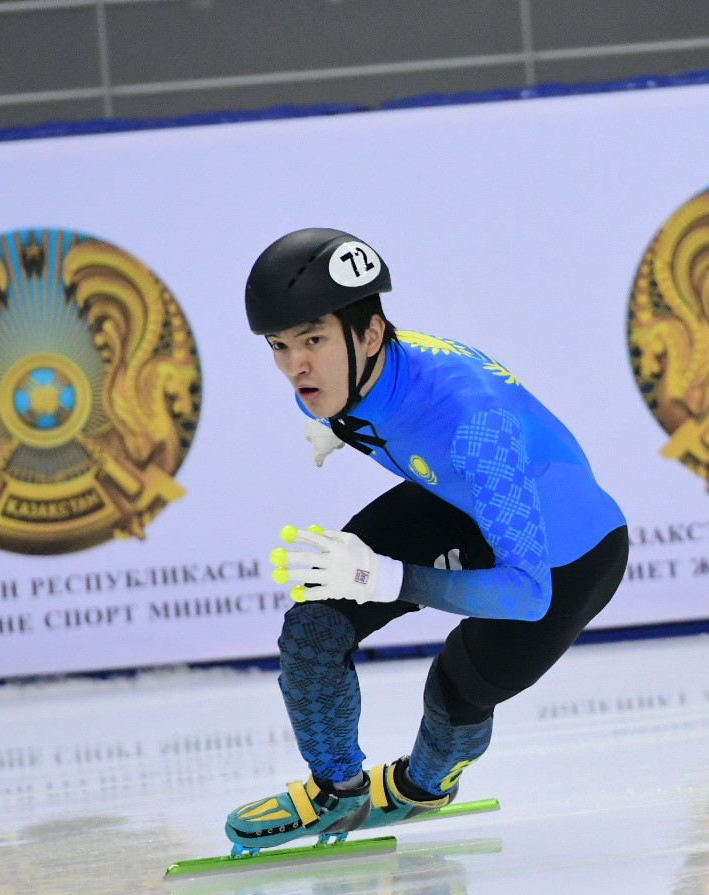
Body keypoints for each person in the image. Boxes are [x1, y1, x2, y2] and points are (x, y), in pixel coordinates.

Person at [225, 228, 628, 851]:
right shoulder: (348, 376)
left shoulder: (474, 423)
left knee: (455, 690)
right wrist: (343, 427)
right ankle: (338, 792)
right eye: (279, 346)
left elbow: (529, 596)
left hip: (564, 557)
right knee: (314, 625)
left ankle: (423, 787)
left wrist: (387, 577)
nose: (295, 365)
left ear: (370, 335)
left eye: (312, 340)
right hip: (458, 500)